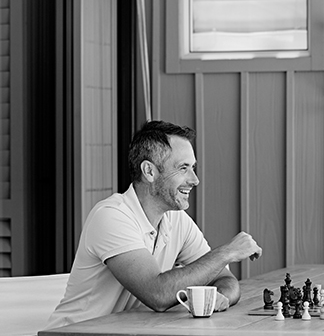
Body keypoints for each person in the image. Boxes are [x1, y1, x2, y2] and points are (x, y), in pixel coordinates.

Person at [46, 120, 263, 329]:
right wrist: (226, 253)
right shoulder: (111, 217)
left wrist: (219, 297)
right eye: (183, 168)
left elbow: (224, 278)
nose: (195, 180)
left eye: (192, 167)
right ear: (149, 171)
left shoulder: (176, 219)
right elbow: (157, 294)